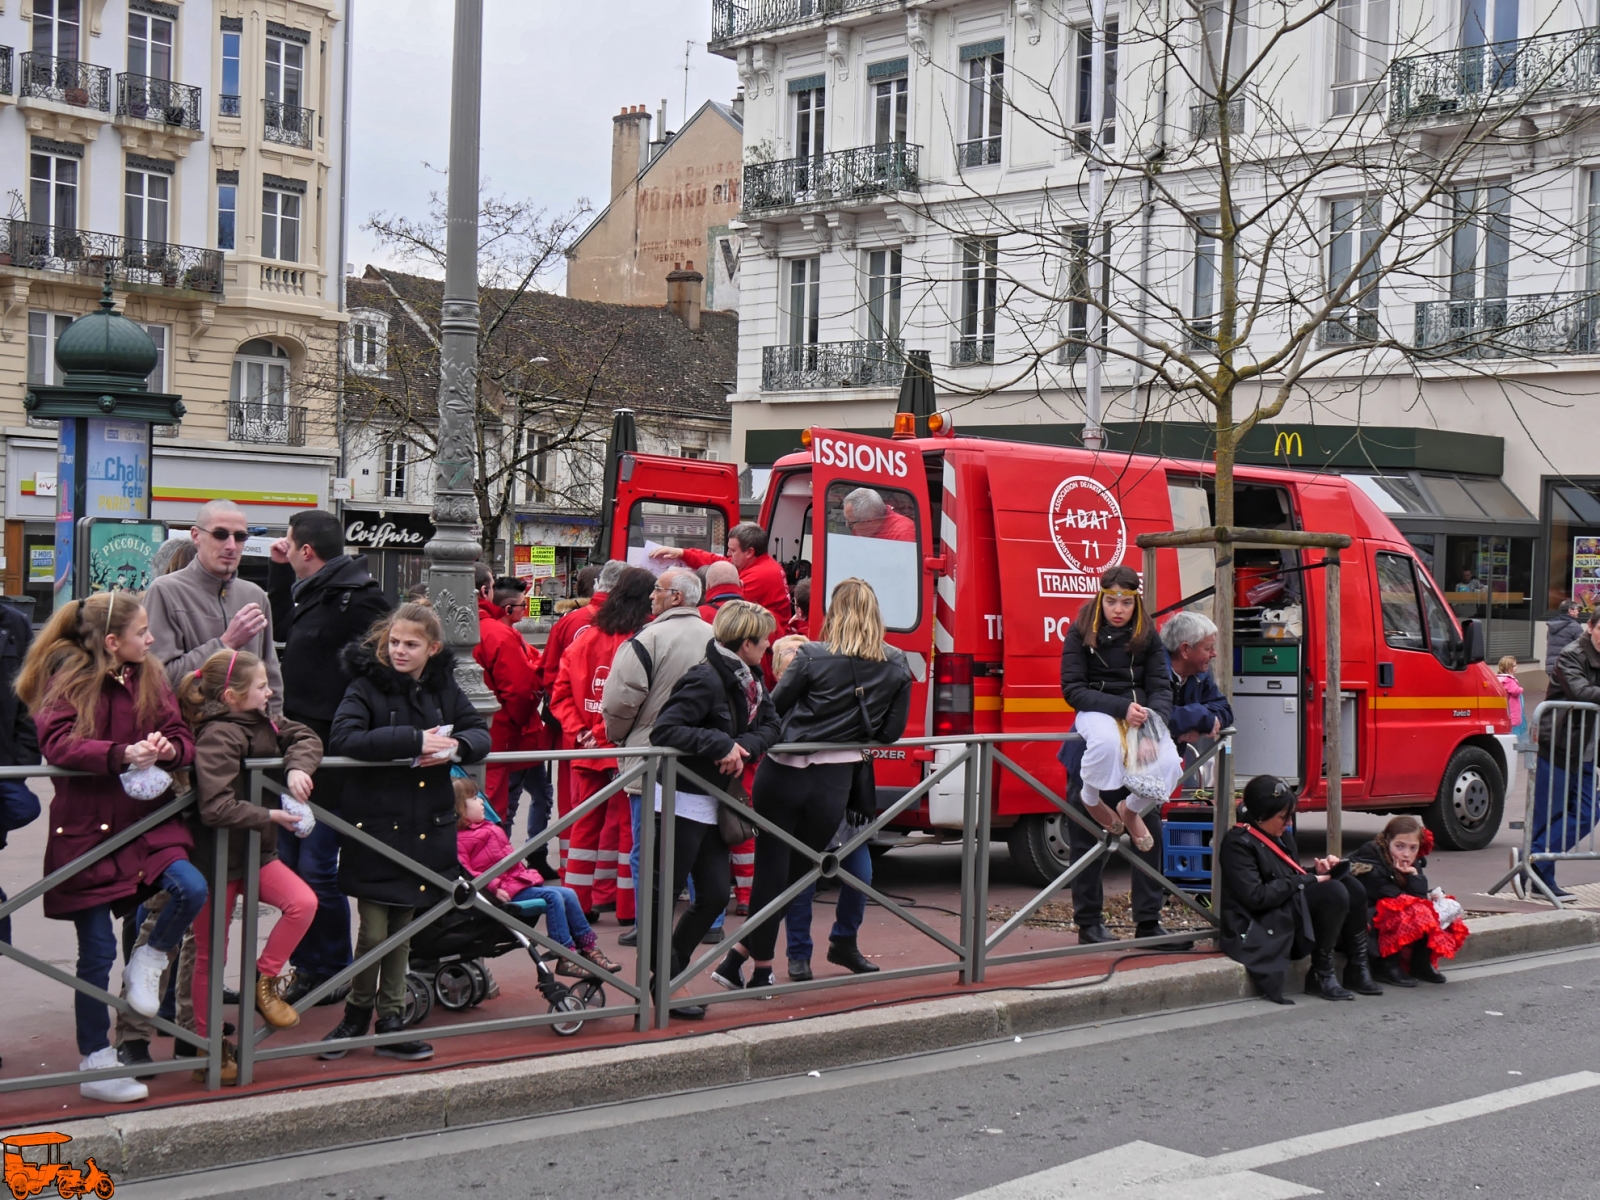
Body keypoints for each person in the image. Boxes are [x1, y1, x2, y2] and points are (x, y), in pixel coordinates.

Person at [19, 592, 200, 1102]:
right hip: (88, 829)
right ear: (112, 641)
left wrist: (169, 748)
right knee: (95, 954)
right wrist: (122, 754)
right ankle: (96, 1060)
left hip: (146, 821)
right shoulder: (68, 677)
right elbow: (57, 743)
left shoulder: (150, 674)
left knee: (191, 886)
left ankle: (151, 956)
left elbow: (181, 733)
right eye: (143, 632)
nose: (152, 639)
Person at [713, 578, 911, 992]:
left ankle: (751, 965)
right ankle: (744, 964)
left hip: (784, 773)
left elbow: (771, 710)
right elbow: (891, 733)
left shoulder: (812, 655)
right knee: (797, 877)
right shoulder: (896, 663)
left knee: (772, 873)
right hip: (834, 782)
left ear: (834, 613)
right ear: (876, 614)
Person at [320, 604, 491, 1062]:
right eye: (394, 642)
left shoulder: (443, 687)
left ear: (432, 649)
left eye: (410, 644)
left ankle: (390, 1017)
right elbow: (344, 739)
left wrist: (456, 745)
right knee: (376, 930)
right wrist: (415, 741)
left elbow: (479, 732)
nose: (399, 650)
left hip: (424, 824)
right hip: (377, 826)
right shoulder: (364, 684)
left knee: (405, 928)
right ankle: (358, 1012)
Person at [180, 649, 323, 1084]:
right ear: (232, 695)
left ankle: (264, 981)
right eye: (261, 686)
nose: (270, 691)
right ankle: (210, 1047)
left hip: (256, 854)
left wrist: (298, 768)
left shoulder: (265, 720)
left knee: (303, 902)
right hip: (216, 859)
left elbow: (308, 738)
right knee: (210, 955)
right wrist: (270, 816)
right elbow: (216, 807)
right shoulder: (217, 735)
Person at [267, 508, 390, 1007]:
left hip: (332, 754)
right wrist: (277, 572)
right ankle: (307, 966)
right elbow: (282, 631)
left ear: (307, 550)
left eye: (288, 543)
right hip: (294, 747)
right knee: (291, 865)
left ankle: (333, 966)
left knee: (318, 867)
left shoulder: (360, 598)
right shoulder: (310, 591)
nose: (285, 547)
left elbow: (382, 666)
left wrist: (351, 723)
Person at [649, 601, 781, 1012]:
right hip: (682, 797)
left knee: (712, 895)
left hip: (716, 799)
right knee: (666, 894)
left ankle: (671, 974)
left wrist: (742, 747)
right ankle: (664, 983)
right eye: (764, 641)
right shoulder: (705, 678)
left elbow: (773, 726)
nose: (769, 647)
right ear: (746, 643)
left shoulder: (752, 679)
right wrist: (720, 744)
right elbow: (665, 730)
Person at [1056, 565, 1183, 945]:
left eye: (1125, 602)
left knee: (1151, 834)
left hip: (1138, 734)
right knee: (1088, 841)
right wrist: (1119, 708)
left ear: (1136, 602)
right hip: (1094, 746)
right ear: (1100, 597)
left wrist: (1152, 724)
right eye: (1110, 600)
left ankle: (1148, 921)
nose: (1117, 609)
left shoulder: (1149, 635)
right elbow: (1073, 689)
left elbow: (1161, 686)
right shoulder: (1081, 630)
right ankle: (1089, 923)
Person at [601, 566, 714, 942]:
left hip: (652, 757)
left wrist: (621, 738)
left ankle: (649, 925)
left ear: (676, 597)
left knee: (646, 847)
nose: (652, 596)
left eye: (658, 590)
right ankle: (708, 923)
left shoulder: (647, 640)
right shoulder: (718, 638)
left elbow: (619, 702)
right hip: (703, 756)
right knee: (700, 842)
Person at [768, 630, 876, 981]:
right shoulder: (776, 708)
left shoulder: (836, 697)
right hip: (800, 805)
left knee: (861, 876)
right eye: (792, 671)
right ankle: (798, 955)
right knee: (800, 882)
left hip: (842, 808)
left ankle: (844, 943)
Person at [549, 567, 655, 917]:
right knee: (630, 831)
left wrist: (580, 731)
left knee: (584, 829)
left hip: (588, 751)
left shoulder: (586, 638)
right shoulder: (644, 639)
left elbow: (560, 693)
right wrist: (598, 733)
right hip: (626, 749)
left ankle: (577, 906)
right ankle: (628, 908)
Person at [1217, 775, 1378, 1004]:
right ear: (1261, 816)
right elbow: (1256, 896)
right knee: (1333, 892)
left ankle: (1357, 966)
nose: (1289, 823)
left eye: (1290, 816)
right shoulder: (1237, 843)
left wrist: (1315, 870)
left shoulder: (1278, 834)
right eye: (1283, 817)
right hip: (1260, 923)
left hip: (1284, 908)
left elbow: (1286, 875)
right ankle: (1321, 973)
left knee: (1351, 886)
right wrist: (1309, 880)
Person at [453, 777, 620, 978]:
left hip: (516, 883)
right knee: (553, 898)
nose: (481, 802)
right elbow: (466, 871)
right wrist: (494, 886)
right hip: (503, 892)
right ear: (460, 808)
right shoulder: (461, 838)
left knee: (568, 893)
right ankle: (565, 953)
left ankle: (589, 947)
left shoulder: (488, 827)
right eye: (474, 798)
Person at [543, 562, 621, 873]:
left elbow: (550, 679)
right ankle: (608, 885)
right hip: (615, 735)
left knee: (575, 805)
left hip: (574, 731)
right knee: (617, 812)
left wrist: (576, 727)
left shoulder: (570, 623)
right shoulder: (632, 626)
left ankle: (570, 870)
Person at [1346, 816, 1468, 987]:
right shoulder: (1370, 859)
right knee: (1410, 909)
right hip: (1369, 918)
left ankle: (1420, 962)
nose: (1406, 854)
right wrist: (1411, 881)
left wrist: (1414, 876)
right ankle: (1387, 965)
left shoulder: (1413, 861)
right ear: (1387, 841)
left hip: (1391, 912)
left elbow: (1418, 897)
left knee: (1444, 909)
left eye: (1413, 848)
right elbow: (1392, 897)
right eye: (1400, 846)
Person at [1530, 608, 1600, 898]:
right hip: (1560, 745)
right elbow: (1581, 693)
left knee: (1588, 813)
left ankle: (1531, 859)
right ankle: (1538, 879)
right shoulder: (1572, 654)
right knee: (1550, 813)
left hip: (1588, 748)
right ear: (1591, 627)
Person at [472, 564, 542, 828]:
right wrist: (518, 722)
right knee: (489, 814)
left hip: (445, 737)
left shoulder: (434, 624)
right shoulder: (497, 633)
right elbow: (520, 690)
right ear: (484, 590)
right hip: (495, 734)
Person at [652, 524, 793, 628]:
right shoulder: (759, 564)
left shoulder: (760, 575)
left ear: (749, 552)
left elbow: (723, 605)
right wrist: (683, 553)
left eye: (732, 550)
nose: (728, 554)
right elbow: (720, 562)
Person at [842, 487, 916, 542]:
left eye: (851, 522)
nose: (847, 525)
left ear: (870, 520)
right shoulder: (861, 525)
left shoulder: (904, 534)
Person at [1497, 655, 1526, 741]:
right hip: (1512, 709)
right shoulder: (1509, 680)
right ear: (1508, 667)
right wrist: (1521, 689)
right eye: (1514, 666)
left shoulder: (1499, 678)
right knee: (1514, 729)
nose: (1516, 668)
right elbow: (1515, 691)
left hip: (1504, 708)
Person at [1547, 598, 1583, 666]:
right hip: (1567, 667)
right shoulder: (1574, 626)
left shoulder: (1552, 625)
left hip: (1551, 666)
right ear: (1570, 611)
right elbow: (1583, 645)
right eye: (1577, 610)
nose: (1578, 612)